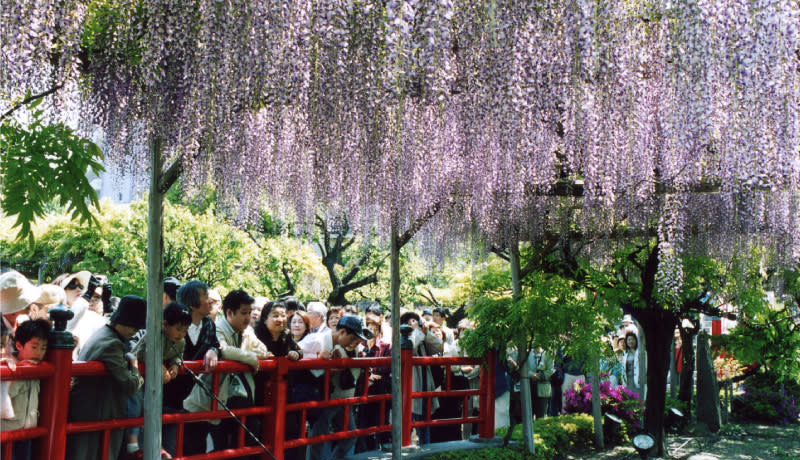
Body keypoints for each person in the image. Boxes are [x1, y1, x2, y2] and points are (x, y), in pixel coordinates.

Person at [66, 296, 146, 460]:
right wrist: (135, 367)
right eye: (136, 328)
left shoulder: (103, 334)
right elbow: (131, 385)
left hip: (88, 410)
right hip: (97, 413)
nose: (135, 333)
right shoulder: (112, 344)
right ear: (130, 326)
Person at [190, 289, 269, 453]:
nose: (248, 317)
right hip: (214, 400)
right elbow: (223, 350)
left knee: (242, 443)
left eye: (250, 312)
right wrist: (249, 357)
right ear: (229, 312)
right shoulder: (217, 328)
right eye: (244, 313)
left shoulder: (247, 331)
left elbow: (263, 350)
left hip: (238, 398)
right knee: (217, 447)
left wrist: (246, 356)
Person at [127, 302, 191, 458]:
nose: (181, 334)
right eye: (178, 329)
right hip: (137, 375)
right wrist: (159, 365)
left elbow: (178, 355)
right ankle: (133, 442)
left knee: (153, 408)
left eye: (185, 330)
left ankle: (154, 445)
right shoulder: (154, 336)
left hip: (154, 381)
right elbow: (141, 353)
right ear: (164, 324)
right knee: (136, 405)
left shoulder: (180, 342)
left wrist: (175, 365)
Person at [164, 280, 220, 456]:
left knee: (191, 446)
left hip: (192, 397)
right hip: (166, 393)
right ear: (191, 305)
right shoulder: (174, 324)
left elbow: (215, 343)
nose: (210, 300)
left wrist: (213, 350)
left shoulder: (209, 324)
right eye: (205, 297)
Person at [308, 315, 366, 460]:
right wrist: (321, 363)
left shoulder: (343, 345)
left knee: (349, 435)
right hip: (323, 394)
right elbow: (298, 354)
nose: (354, 343)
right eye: (353, 339)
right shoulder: (318, 340)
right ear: (342, 332)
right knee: (318, 437)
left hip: (340, 396)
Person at [2, 318, 50, 460]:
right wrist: (22, 374)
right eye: (34, 347)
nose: (39, 353)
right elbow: (6, 396)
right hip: (7, 432)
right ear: (19, 345)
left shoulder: (40, 369)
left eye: (43, 348)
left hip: (28, 432)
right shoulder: (9, 366)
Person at [401, 310, 443, 445]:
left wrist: (426, 332)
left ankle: (426, 447)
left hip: (425, 381)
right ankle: (406, 446)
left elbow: (439, 346)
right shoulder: (402, 338)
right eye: (409, 322)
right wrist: (417, 333)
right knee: (409, 419)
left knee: (424, 420)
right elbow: (411, 348)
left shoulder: (421, 336)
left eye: (414, 320)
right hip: (411, 383)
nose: (413, 324)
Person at [355, 310, 392, 452]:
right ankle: (364, 448)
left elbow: (387, 367)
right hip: (363, 387)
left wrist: (372, 373)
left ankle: (381, 446)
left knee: (380, 420)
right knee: (362, 421)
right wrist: (368, 374)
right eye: (368, 326)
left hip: (379, 388)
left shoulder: (385, 345)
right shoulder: (360, 344)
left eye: (373, 327)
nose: (370, 330)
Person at [527, 348, 555, 419]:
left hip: (543, 389)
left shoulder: (548, 353)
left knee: (541, 416)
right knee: (528, 415)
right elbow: (523, 368)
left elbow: (551, 370)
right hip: (529, 388)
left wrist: (539, 376)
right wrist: (531, 375)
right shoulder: (527, 353)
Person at [622, 331, 645, 399]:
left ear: (636, 340)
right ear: (626, 341)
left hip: (638, 378)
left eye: (632, 339)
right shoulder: (625, 353)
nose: (631, 341)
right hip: (628, 380)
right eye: (629, 339)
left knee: (639, 398)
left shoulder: (640, 352)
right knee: (629, 399)